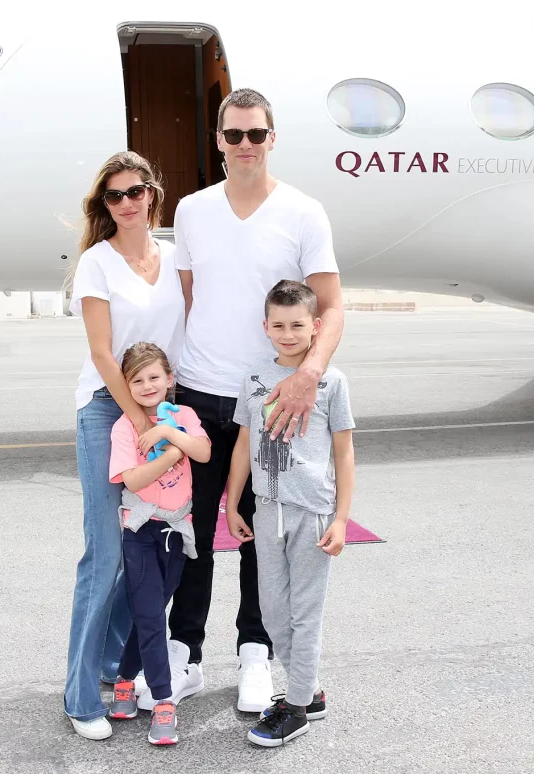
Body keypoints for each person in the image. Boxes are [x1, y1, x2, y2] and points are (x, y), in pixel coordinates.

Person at [144, 87, 345, 713]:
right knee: (196, 529)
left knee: (264, 534)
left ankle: (255, 654)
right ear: (220, 142)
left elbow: (331, 306)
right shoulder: (195, 211)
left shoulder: (305, 212)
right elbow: (184, 299)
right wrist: (163, 386)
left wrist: (309, 372)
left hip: (275, 398)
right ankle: (187, 653)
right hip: (202, 392)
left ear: (272, 138)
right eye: (234, 135)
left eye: (256, 134)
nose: (245, 145)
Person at [64, 152, 186, 740]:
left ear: (151, 194)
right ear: (104, 206)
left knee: (150, 556)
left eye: (136, 191)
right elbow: (102, 353)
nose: (127, 202)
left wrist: (167, 416)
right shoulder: (96, 262)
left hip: (160, 411)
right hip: (109, 410)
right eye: (114, 196)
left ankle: (116, 672)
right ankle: (81, 694)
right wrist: (140, 418)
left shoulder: (175, 256)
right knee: (107, 554)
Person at [224, 279, 355, 747]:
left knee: (306, 614)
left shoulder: (332, 382)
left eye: (297, 325)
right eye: (278, 325)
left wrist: (341, 518)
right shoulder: (255, 378)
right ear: (265, 326)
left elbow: (344, 452)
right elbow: (243, 442)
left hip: (313, 513)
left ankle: (297, 707)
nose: (287, 333)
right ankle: (311, 691)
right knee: (274, 613)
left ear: (315, 326)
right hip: (266, 510)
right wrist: (231, 501)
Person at [106, 342, 210, 746]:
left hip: (176, 533)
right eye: (137, 379)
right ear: (126, 385)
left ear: (170, 379)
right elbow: (132, 480)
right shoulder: (124, 427)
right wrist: (169, 454)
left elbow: (202, 452)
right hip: (140, 531)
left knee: (152, 610)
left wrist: (168, 432)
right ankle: (164, 703)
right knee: (151, 617)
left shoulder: (183, 416)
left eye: (155, 377)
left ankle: (124, 680)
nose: (147, 385)